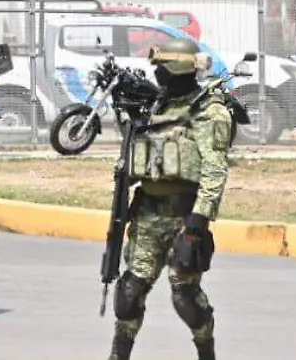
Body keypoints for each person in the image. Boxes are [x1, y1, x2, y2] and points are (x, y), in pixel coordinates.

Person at [106, 37, 233, 360]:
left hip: (184, 218)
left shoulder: (209, 111)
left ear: (176, 68)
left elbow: (214, 171)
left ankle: (206, 351)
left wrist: (198, 223)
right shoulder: (156, 105)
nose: (157, 73)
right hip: (147, 214)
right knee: (129, 294)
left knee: (185, 298)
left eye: (161, 67)